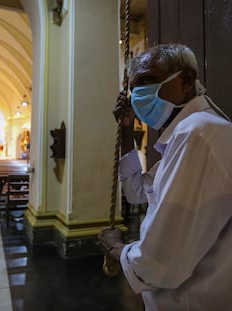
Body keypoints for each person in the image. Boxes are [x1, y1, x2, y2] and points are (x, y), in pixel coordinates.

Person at [98, 44, 232, 310]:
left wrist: (116, 248)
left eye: (147, 80)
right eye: (134, 87)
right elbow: (139, 191)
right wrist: (127, 131)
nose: (137, 94)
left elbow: (159, 262)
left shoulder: (196, 134)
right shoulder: (188, 133)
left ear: (185, 82)